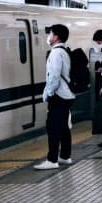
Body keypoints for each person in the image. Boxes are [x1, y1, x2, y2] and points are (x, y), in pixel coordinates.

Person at [34, 24, 76, 170]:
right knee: (64, 126)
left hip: (59, 95)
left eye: (50, 33)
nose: (49, 36)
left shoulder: (56, 53)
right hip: (67, 95)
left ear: (56, 37)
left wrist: (48, 93)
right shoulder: (63, 51)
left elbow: (54, 76)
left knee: (53, 127)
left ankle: (52, 160)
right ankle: (65, 156)